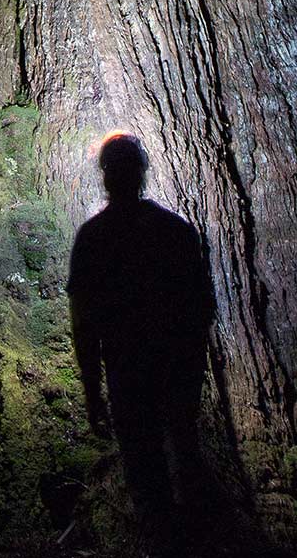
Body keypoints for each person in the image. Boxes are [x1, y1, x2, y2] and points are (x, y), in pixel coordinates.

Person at [67, 131, 213, 529]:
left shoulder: (94, 238)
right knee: (184, 452)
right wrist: (192, 367)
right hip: (175, 368)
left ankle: (169, 548)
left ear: (105, 176)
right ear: (143, 172)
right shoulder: (176, 231)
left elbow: (84, 322)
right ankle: (199, 544)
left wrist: (92, 391)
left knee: (146, 471)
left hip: (128, 371)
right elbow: (203, 308)